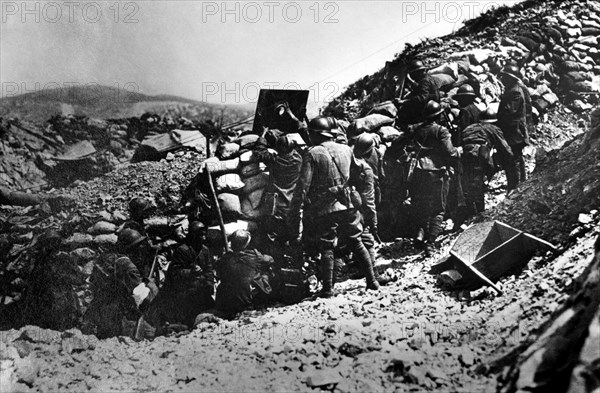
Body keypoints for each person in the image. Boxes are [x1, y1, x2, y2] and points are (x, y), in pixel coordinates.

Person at [287, 116, 380, 297]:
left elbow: (303, 187)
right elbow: (357, 174)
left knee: (327, 246)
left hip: (324, 208)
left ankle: (328, 289)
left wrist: (295, 210)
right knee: (356, 241)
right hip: (348, 203)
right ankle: (372, 281)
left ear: (316, 134)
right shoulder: (346, 149)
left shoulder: (312, 153)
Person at [84, 229, 158, 339]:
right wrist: (151, 286)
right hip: (118, 318)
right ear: (132, 249)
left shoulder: (105, 258)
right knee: (154, 333)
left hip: (98, 313)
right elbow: (145, 299)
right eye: (138, 246)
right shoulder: (126, 265)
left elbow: (94, 282)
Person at [409, 101, 461, 256]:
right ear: (438, 116)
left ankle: (420, 234)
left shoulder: (417, 130)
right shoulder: (441, 130)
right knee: (438, 208)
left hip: (419, 171)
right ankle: (431, 244)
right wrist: (458, 151)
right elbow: (449, 152)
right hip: (436, 171)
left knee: (422, 205)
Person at [150, 221, 215, 330]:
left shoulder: (205, 250)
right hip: (184, 290)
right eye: (200, 235)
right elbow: (174, 273)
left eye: (204, 235)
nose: (203, 238)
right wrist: (191, 272)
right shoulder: (182, 251)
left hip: (199, 288)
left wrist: (209, 284)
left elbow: (209, 269)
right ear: (193, 236)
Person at [456, 107, 513, 226]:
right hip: (478, 154)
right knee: (478, 184)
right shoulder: (493, 128)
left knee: (468, 183)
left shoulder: (469, 128)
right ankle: (479, 215)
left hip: (464, 155)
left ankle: (470, 213)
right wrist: (510, 159)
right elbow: (504, 147)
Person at [215, 230, 274, 314]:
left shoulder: (225, 258)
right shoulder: (255, 256)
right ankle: (261, 302)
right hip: (245, 303)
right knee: (265, 275)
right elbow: (270, 260)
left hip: (224, 302)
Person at [497, 64, 533, 192]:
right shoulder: (512, 89)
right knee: (516, 158)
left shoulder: (515, 92)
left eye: (504, 77)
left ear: (510, 78)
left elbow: (509, 112)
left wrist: (497, 121)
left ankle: (515, 187)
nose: (502, 79)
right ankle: (520, 185)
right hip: (514, 131)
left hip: (514, 132)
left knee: (513, 160)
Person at [398, 59, 442, 124]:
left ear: (417, 73)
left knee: (404, 112)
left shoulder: (424, 81)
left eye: (413, 73)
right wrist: (412, 83)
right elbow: (422, 90)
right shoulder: (428, 78)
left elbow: (422, 98)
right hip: (434, 106)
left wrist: (404, 102)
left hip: (429, 110)